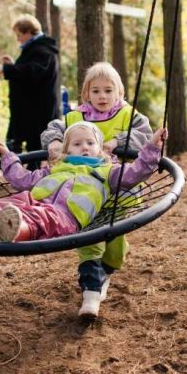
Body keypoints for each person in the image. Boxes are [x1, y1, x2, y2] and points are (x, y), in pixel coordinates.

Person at [0, 122, 167, 320]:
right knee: (8, 203)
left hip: (64, 214)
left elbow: (136, 172)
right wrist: (8, 158)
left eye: (90, 142)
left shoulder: (109, 172)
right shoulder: (55, 168)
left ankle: (11, 229)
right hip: (33, 199)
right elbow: (22, 179)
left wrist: (153, 147)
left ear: (101, 149)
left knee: (37, 218)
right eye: (77, 144)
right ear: (67, 150)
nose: (85, 147)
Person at [40, 61, 154, 294]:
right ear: (86, 94)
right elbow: (53, 129)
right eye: (96, 91)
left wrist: (117, 142)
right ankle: (91, 278)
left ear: (119, 92)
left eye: (108, 90)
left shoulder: (128, 115)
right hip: (82, 190)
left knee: (113, 237)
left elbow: (145, 135)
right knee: (88, 232)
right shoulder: (74, 117)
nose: (102, 96)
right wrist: (53, 143)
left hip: (118, 188)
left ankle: (108, 266)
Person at [0, 14, 60, 157]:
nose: (17, 39)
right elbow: (29, 74)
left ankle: (34, 177)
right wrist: (13, 65)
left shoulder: (43, 49)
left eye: (19, 34)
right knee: (31, 152)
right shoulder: (35, 48)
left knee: (36, 152)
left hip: (39, 113)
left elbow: (34, 71)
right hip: (30, 112)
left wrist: (4, 69)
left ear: (28, 32)